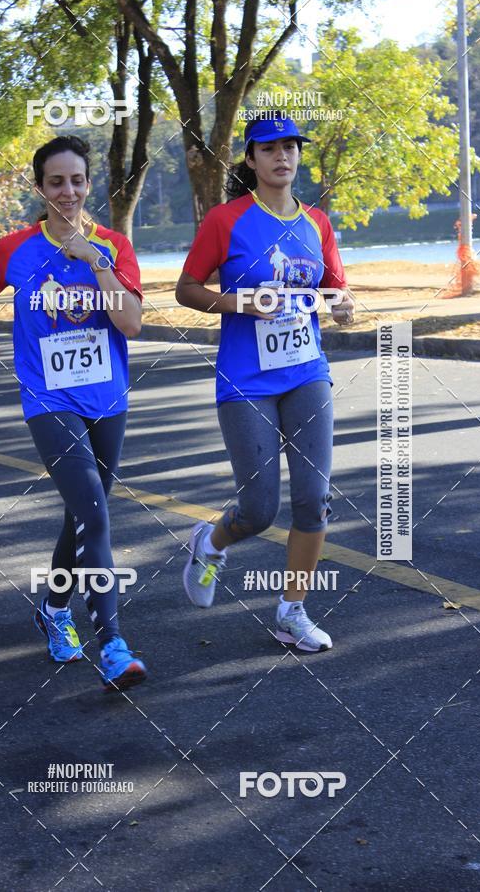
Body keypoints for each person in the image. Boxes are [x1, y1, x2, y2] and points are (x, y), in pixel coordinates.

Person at [0, 135, 147, 691]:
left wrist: (96, 261)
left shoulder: (112, 245)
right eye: (55, 182)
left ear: (89, 184)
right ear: (40, 188)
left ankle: (53, 607)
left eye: (77, 180)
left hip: (107, 396)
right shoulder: (15, 247)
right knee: (95, 514)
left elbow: (132, 325)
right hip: (48, 399)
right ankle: (112, 643)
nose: (67, 191)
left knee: (82, 513)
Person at [176, 116, 355, 652]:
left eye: (290, 148)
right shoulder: (225, 220)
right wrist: (241, 301)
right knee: (259, 509)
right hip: (247, 380)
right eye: (269, 149)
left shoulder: (318, 223)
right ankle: (210, 542)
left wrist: (344, 305)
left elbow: (337, 290)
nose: (283, 156)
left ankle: (291, 611)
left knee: (314, 498)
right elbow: (186, 289)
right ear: (251, 160)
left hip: (306, 372)